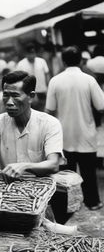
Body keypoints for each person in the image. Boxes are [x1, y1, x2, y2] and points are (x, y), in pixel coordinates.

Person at [45, 46, 104, 211]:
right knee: (88, 172)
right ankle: (92, 202)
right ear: (80, 60)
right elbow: (101, 106)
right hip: (86, 133)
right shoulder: (89, 80)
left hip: (64, 135)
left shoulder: (55, 80)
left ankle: (65, 207)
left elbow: (49, 109)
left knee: (65, 176)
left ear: (63, 61)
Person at [0, 71, 63, 183]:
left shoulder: (49, 123)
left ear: (31, 96)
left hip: (40, 185)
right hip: (6, 185)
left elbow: (53, 164)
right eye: (5, 95)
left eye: (15, 96)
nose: (9, 102)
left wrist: (24, 166)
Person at [16, 43, 50, 111]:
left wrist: (48, 87)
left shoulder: (41, 61)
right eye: (30, 54)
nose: (32, 56)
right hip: (29, 93)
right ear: (26, 54)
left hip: (42, 91)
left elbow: (47, 75)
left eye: (33, 53)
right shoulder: (21, 64)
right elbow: (19, 80)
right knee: (32, 112)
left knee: (44, 112)